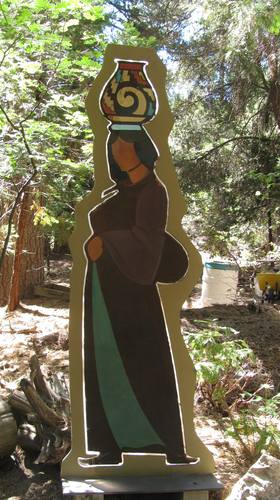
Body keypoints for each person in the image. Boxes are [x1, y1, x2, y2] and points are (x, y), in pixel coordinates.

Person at [81, 128, 197, 465]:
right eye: (113, 143)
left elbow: (149, 241)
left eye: (124, 142)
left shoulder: (154, 191)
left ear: (141, 147)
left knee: (147, 366)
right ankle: (108, 447)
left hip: (135, 292)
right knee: (105, 365)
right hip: (105, 289)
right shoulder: (121, 190)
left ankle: (171, 449)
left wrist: (107, 242)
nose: (117, 148)